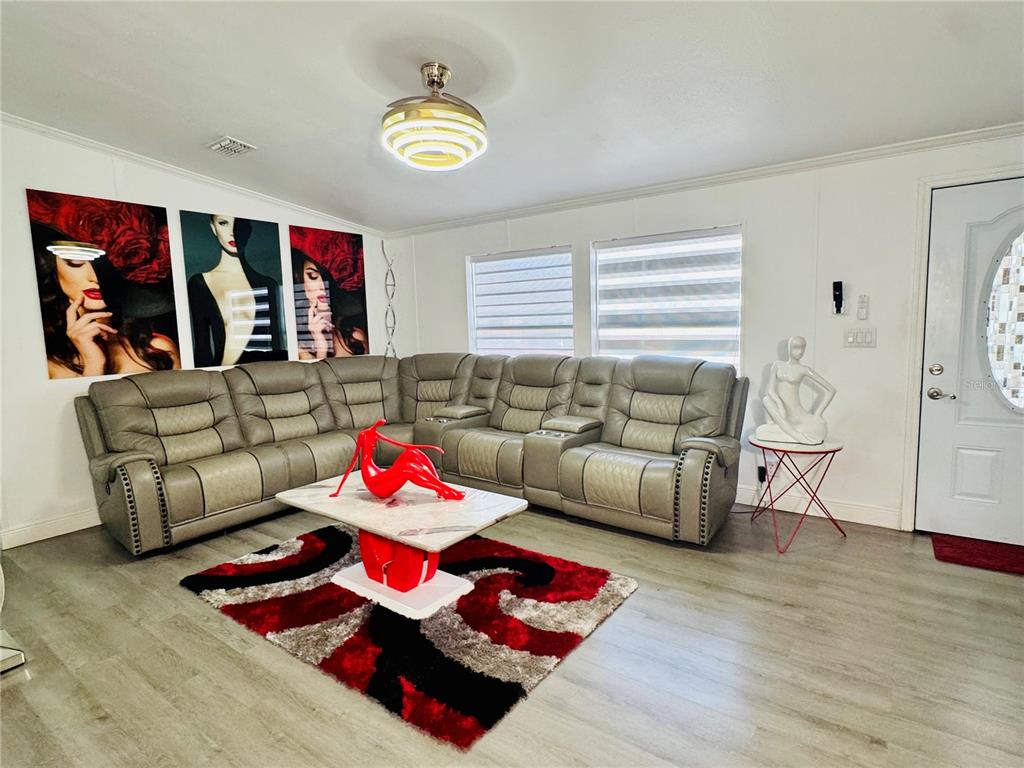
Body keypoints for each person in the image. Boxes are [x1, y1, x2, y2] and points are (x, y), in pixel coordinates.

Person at [32, 224, 180, 378]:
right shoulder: (47, 363)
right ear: (52, 269)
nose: (95, 278)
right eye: (76, 261)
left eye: (105, 265)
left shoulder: (157, 349)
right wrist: (94, 364)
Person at [187, 214, 285, 366]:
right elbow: (202, 349)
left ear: (248, 230)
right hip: (224, 374)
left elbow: (276, 346)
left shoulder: (268, 285)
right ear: (213, 227)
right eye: (223, 223)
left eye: (239, 225)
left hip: (264, 375)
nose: (233, 232)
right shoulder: (200, 283)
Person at [331, 419, 464, 500]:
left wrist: (433, 448)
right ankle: (446, 490)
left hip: (379, 475)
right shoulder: (363, 435)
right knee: (408, 467)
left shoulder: (375, 433)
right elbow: (353, 462)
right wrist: (338, 490)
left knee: (413, 452)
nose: (382, 423)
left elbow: (404, 446)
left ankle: (440, 489)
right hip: (374, 482)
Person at [292, 250, 368, 359]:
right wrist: (321, 345)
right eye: (313, 276)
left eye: (322, 277)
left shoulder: (355, 335)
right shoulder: (301, 351)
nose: (322, 285)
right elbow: (316, 375)